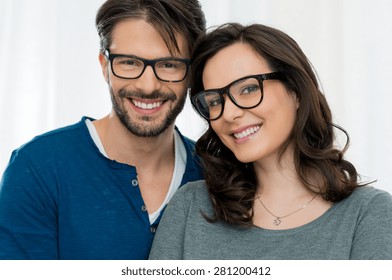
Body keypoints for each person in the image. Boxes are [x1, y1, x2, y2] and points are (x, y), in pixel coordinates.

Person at [149, 22, 392, 260]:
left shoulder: (369, 214)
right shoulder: (190, 207)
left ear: (295, 91)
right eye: (214, 101)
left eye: (247, 89)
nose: (229, 113)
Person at [0, 0, 206, 260]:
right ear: (104, 66)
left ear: (191, 73)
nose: (148, 85)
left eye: (169, 65)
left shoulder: (216, 173)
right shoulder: (37, 167)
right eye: (129, 62)